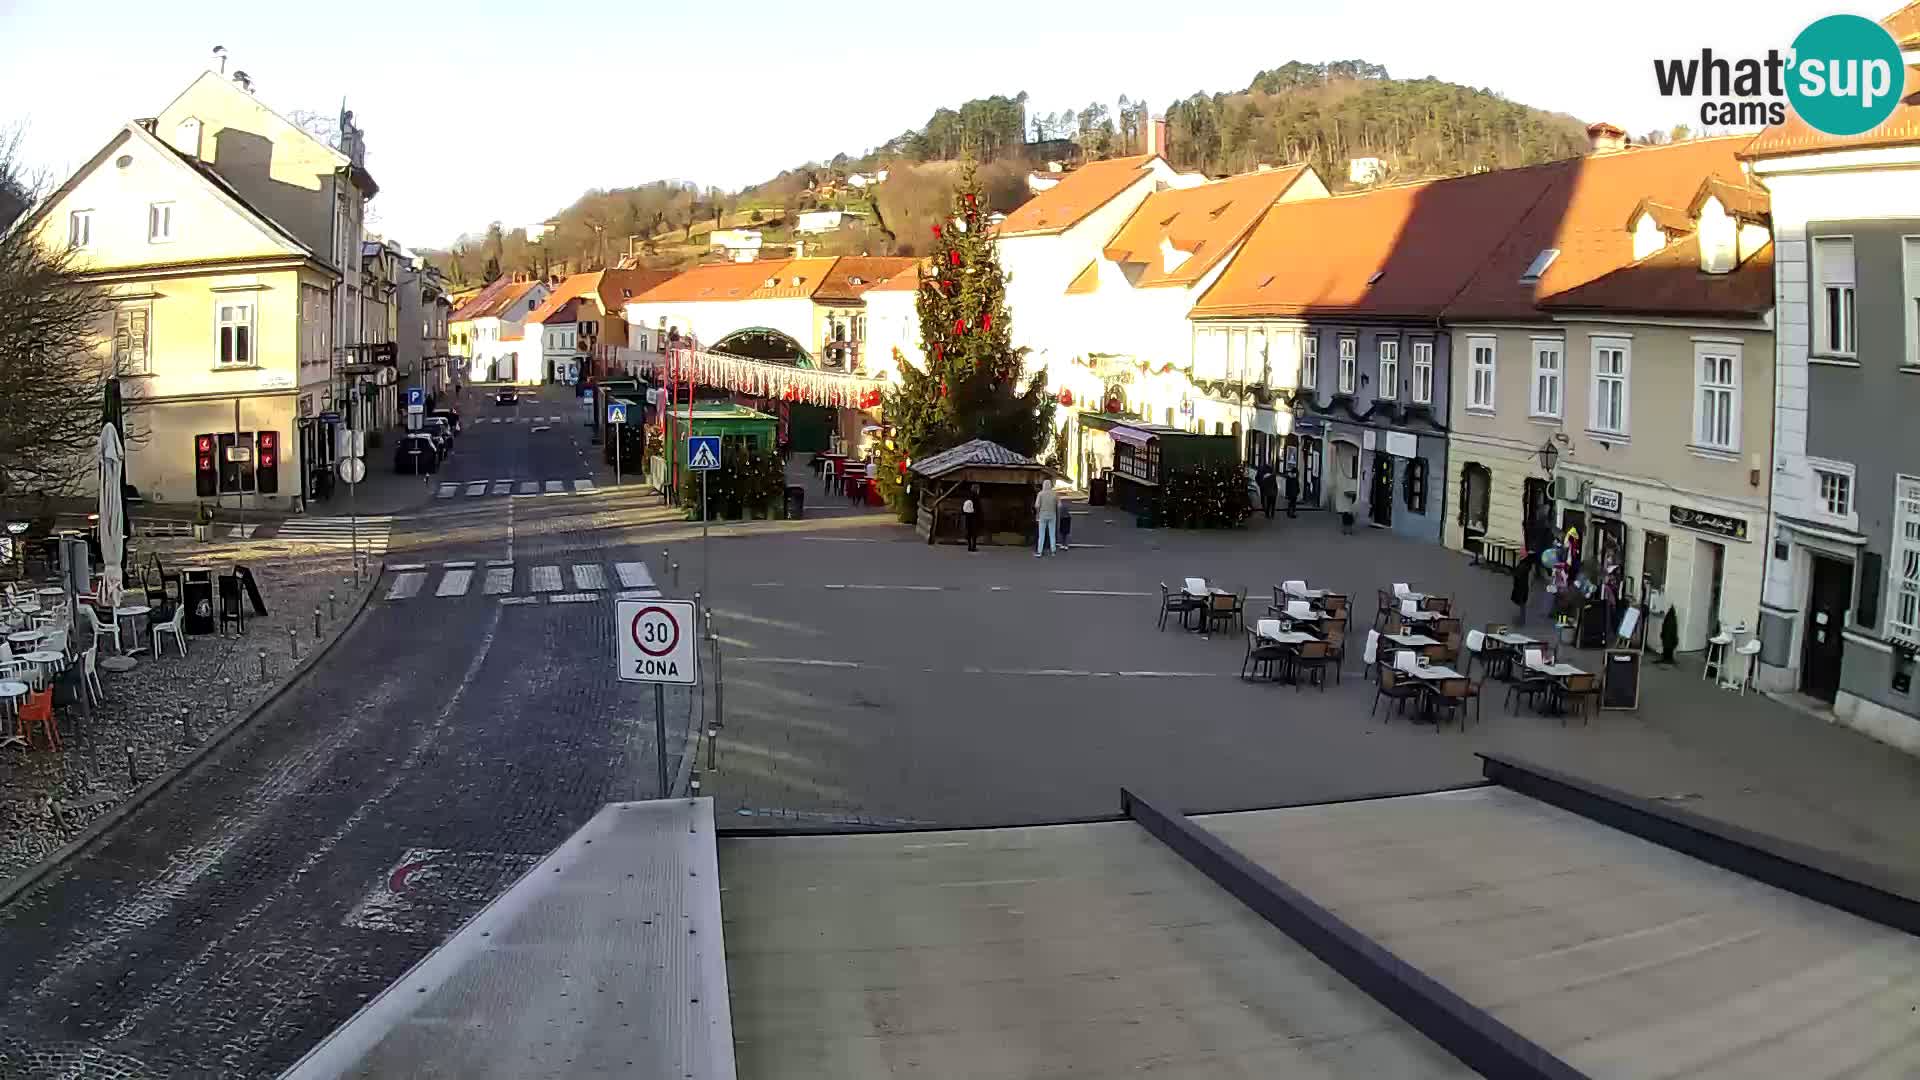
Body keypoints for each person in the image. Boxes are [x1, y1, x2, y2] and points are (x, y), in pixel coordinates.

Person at [1034, 480, 1060, 556]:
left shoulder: (1040, 494)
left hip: (1042, 515)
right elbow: (1059, 505)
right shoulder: (1055, 494)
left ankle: (1039, 551)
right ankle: (1053, 551)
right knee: (1052, 534)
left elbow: (1037, 505)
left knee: (1041, 534)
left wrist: (1037, 514)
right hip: (1052, 515)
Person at [963, 484, 980, 552]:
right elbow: (978, 508)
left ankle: (969, 547)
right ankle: (973, 547)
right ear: (976, 489)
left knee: (969, 532)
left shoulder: (968, 496)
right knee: (974, 533)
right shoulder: (976, 497)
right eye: (978, 489)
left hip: (968, 517)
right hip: (974, 517)